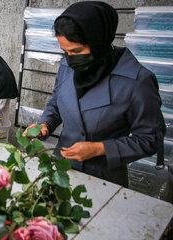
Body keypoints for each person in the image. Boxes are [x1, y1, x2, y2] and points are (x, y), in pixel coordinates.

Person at [24, 1, 165, 187]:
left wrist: (100, 148)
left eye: (77, 51)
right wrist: (46, 124)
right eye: (65, 52)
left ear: (98, 40)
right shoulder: (68, 66)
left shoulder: (137, 81)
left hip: (103, 178)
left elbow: (150, 139)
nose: (71, 59)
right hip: (61, 169)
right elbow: (57, 103)